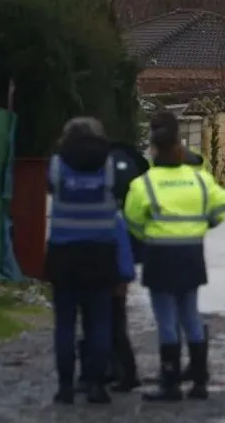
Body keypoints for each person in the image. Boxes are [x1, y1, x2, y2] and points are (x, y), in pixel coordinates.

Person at [124, 111, 225, 402]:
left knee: (166, 319)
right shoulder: (198, 178)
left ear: (154, 151)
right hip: (191, 254)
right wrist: (206, 225)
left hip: (159, 254)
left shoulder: (144, 183)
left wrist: (148, 235)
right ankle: (199, 381)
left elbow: (132, 218)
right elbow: (222, 203)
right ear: (181, 149)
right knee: (190, 315)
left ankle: (170, 382)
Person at [45, 117, 130, 405]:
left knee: (65, 325)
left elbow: (50, 190)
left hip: (64, 255)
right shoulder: (109, 167)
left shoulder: (56, 167)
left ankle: (65, 387)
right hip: (100, 254)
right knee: (99, 324)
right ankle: (96, 385)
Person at [77, 142, 148, 394]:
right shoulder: (134, 166)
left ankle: (96, 373)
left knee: (93, 318)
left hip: (94, 261)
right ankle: (122, 370)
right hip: (120, 258)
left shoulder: (88, 182)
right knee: (116, 318)